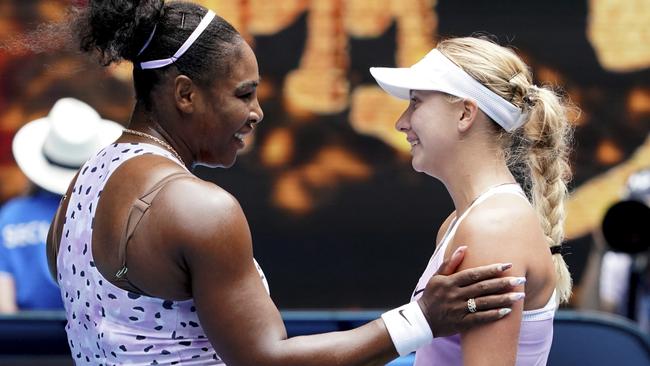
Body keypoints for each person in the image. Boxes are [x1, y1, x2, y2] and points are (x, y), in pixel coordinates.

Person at [46, 2, 524, 364]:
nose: (256, 113)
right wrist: (421, 320)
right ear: (185, 94)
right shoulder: (199, 209)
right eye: (244, 94)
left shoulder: (81, 186)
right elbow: (266, 359)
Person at [370, 36, 574, 365]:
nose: (401, 122)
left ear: (466, 113)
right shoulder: (465, 223)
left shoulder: (492, 229)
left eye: (417, 102)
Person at [0, 97, 121, 313]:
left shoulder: (12, 216)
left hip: (28, 341)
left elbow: (4, 307)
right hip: (96, 341)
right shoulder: (109, 216)